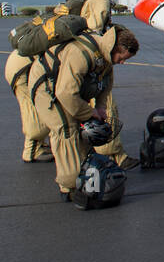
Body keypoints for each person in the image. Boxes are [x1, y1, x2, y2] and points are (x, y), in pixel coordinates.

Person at [28, 26, 140, 201]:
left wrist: (100, 109)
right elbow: (65, 93)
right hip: (47, 88)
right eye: (122, 58)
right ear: (116, 48)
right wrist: (89, 112)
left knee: (83, 129)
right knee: (66, 130)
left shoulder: (105, 58)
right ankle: (69, 186)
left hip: (67, 88)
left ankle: (83, 172)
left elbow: (105, 87)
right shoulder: (80, 54)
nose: (122, 62)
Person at [72, 0, 138, 170]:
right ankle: (113, 155)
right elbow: (95, 32)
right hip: (96, 62)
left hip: (90, 60)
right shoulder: (101, 1)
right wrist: (106, 55)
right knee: (107, 107)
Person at [4, 49, 53, 163]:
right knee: (35, 110)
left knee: (35, 107)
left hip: (18, 63)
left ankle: (39, 145)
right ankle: (32, 152)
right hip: (22, 70)